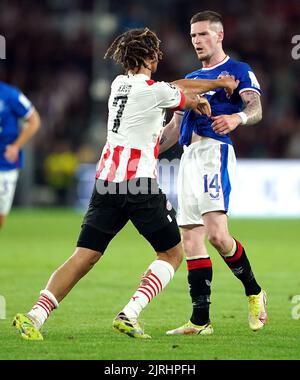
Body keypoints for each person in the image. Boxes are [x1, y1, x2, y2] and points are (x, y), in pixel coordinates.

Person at [13, 27, 238, 340]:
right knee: (172, 254)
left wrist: (192, 97)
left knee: (84, 255)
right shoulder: (154, 91)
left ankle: (35, 316)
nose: (158, 59)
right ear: (148, 56)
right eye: (155, 54)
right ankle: (129, 313)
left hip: (106, 182)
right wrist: (216, 85)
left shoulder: (118, 84)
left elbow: (173, 90)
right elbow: (176, 90)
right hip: (138, 185)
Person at [159, 11, 267, 335]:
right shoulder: (192, 78)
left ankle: (254, 291)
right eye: (193, 36)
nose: (197, 41)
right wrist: (146, 150)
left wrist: (237, 120)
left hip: (213, 152)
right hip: (187, 157)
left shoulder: (238, 70)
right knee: (191, 237)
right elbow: (173, 128)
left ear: (219, 35)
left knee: (218, 235)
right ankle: (200, 320)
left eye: (203, 34)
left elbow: (255, 107)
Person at [0, 81, 40, 229]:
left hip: (5, 163)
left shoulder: (10, 94)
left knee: (1, 215)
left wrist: (16, 146)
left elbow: (34, 120)